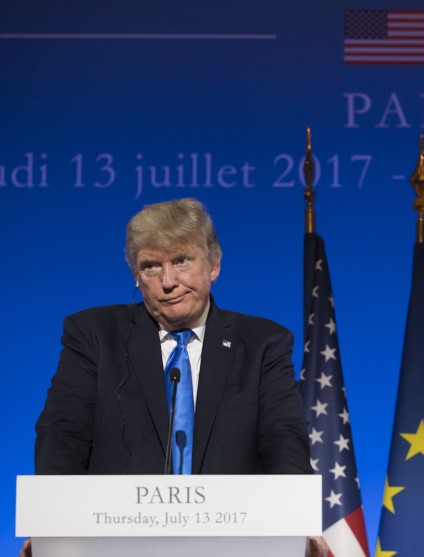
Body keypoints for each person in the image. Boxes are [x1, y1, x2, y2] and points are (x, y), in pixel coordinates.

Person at [28, 198, 325, 556]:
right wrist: (53, 525)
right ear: (135, 276)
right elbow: (62, 437)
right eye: (151, 266)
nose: (168, 282)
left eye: (182, 261)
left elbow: (283, 441)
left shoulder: (262, 344)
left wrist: (297, 522)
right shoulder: (93, 336)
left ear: (213, 264)